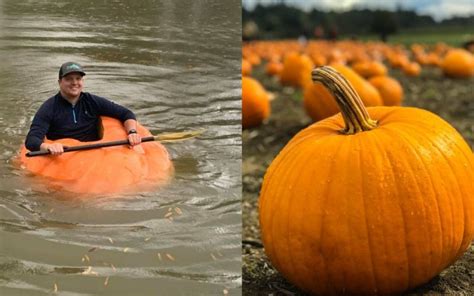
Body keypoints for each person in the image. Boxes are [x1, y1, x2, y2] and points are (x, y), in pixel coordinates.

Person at [25, 62, 142, 155]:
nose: (74, 82)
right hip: (64, 155)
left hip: (94, 153)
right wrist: (49, 146)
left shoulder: (92, 101)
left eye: (78, 78)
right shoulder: (49, 107)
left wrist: (132, 132)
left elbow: (126, 113)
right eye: (69, 79)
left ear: (82, 81)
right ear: (60, 82)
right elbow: (32, 140)